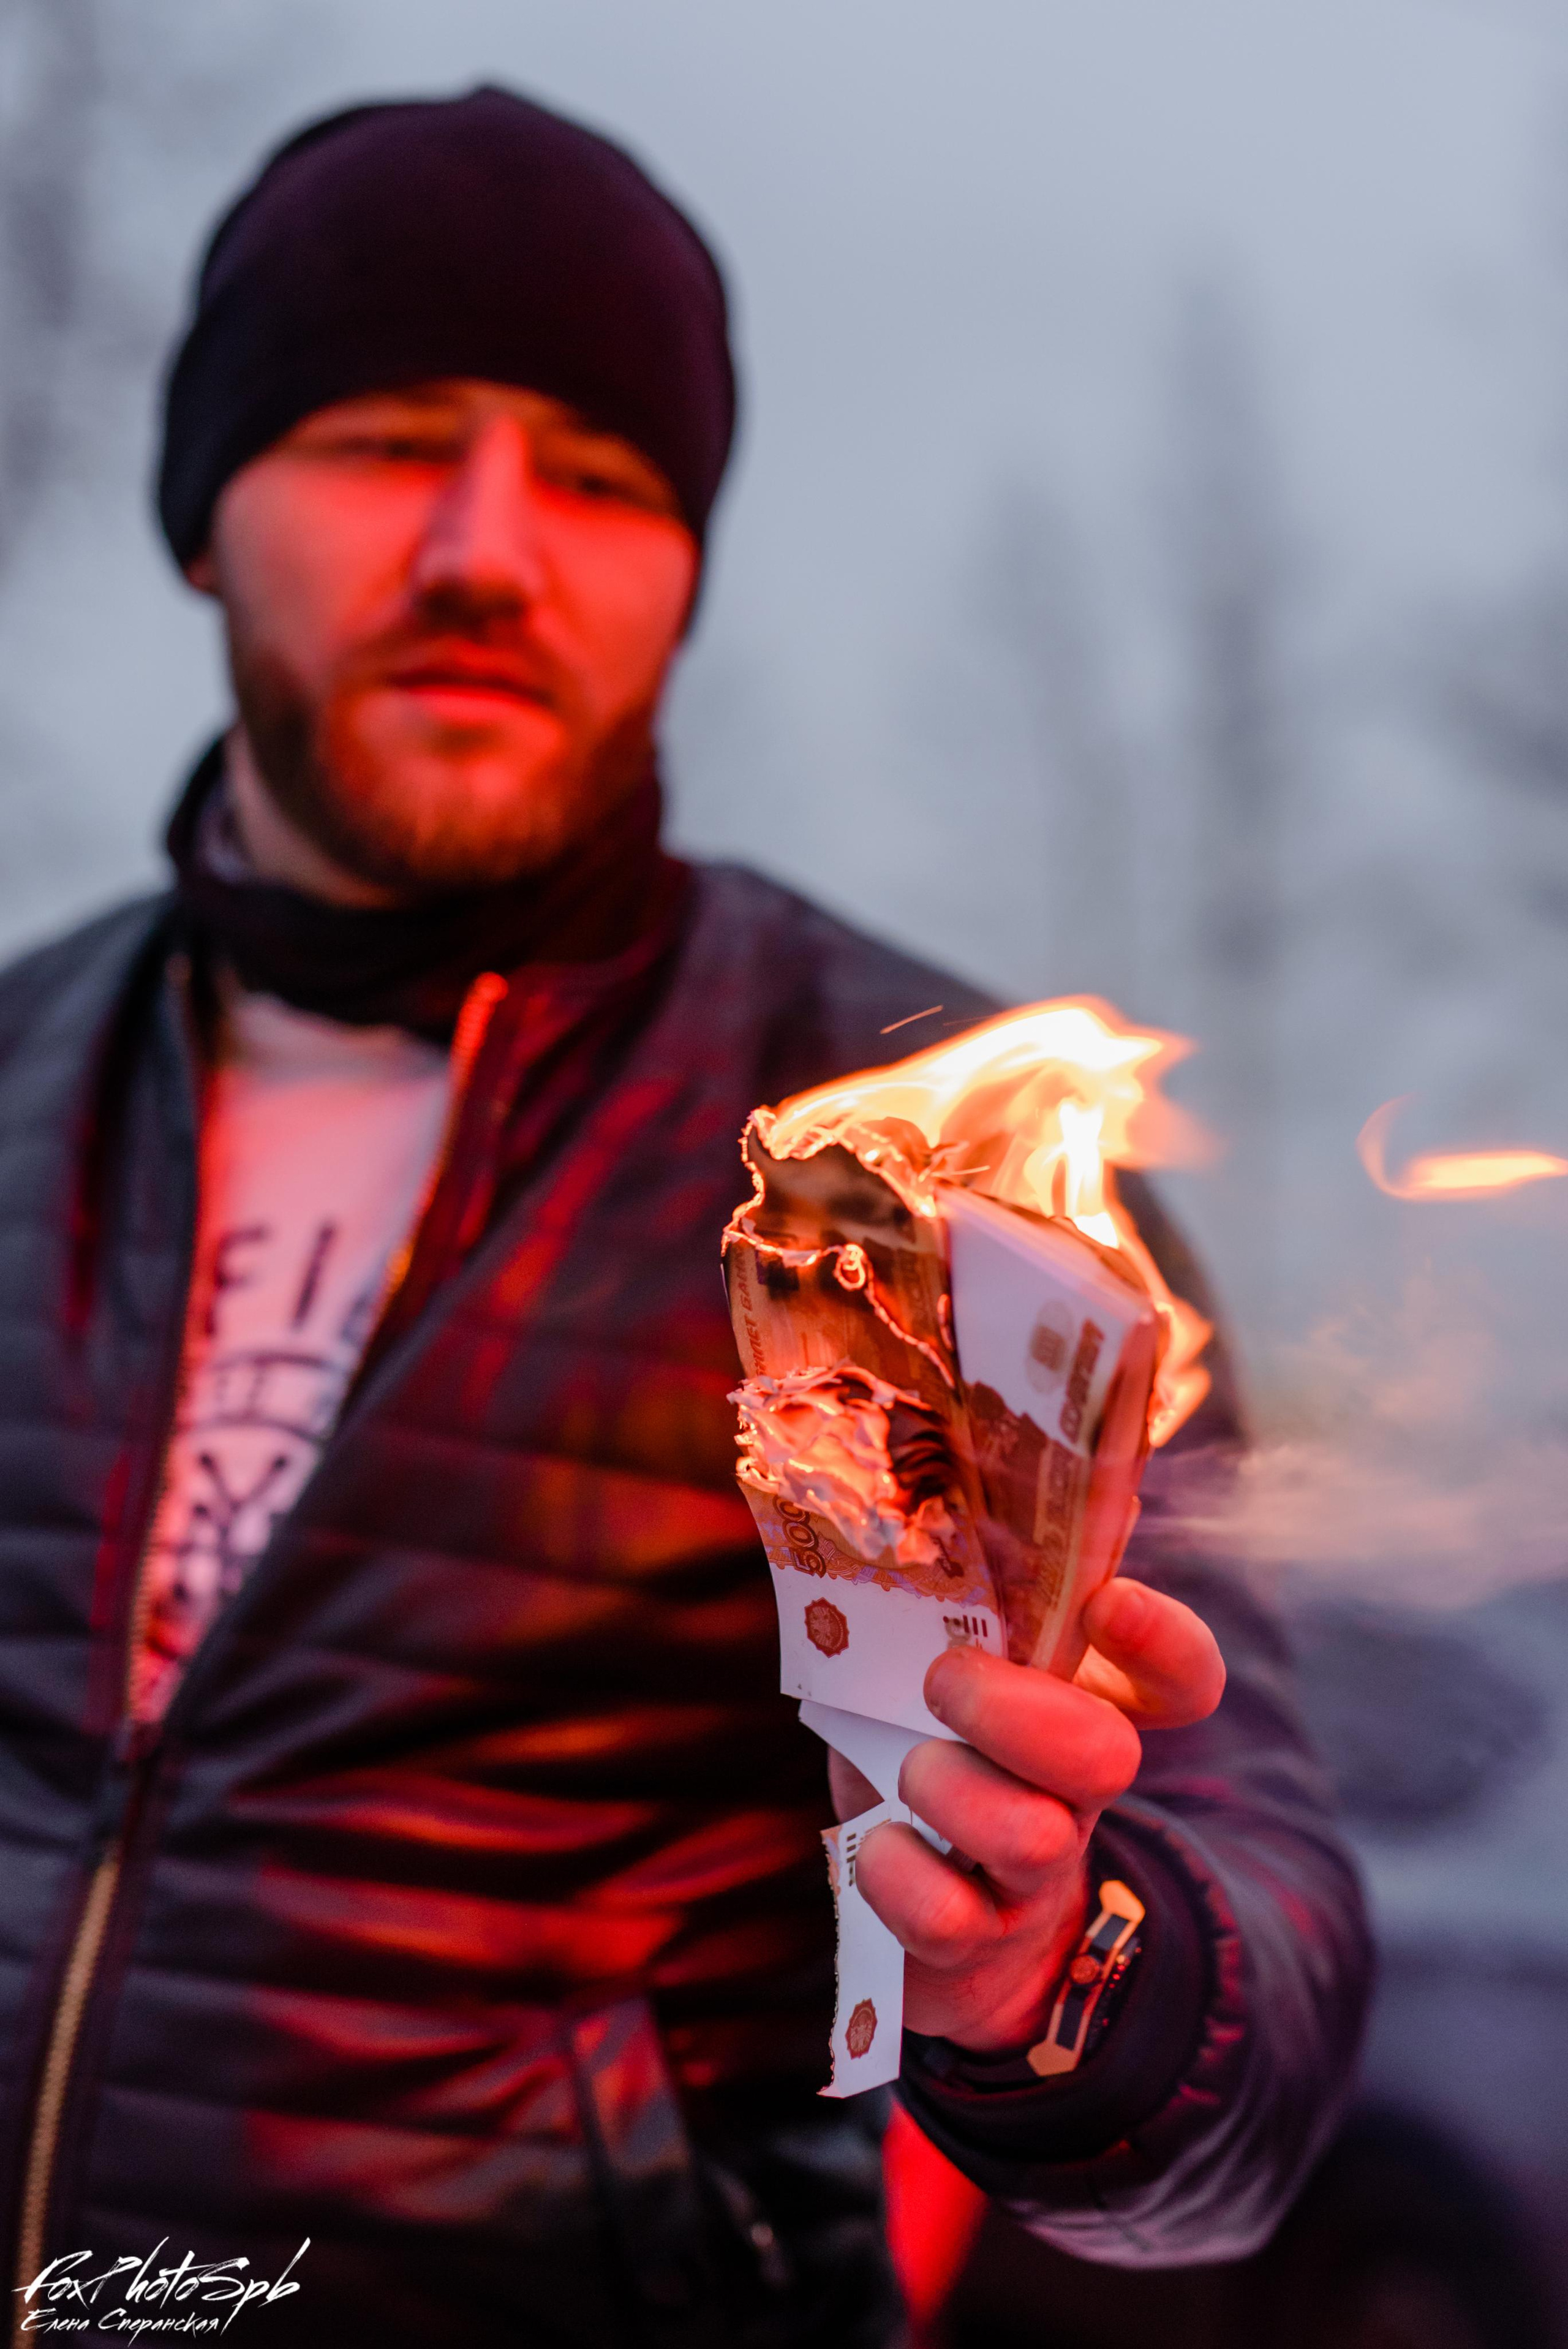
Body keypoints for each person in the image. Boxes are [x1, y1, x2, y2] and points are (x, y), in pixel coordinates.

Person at [0, 88, 1368, 2349]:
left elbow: (1264, 2008)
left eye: (603, 479)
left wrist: (1059, 1971)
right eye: (383, 437)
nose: (485, 546)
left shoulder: (921, 1166)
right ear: (196, 518)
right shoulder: (21, 1078)